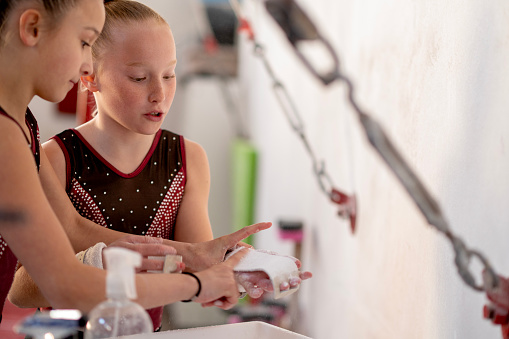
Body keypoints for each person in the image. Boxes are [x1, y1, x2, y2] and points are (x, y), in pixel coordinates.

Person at [7, 0, 311, 331]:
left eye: (169, 74)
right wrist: (190, 276)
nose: (159, 92)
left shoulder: (186, 159)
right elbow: (33, 285)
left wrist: (236, 270)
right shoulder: (50, 155)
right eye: (139, 77)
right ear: (90, 76)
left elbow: (194, 261)